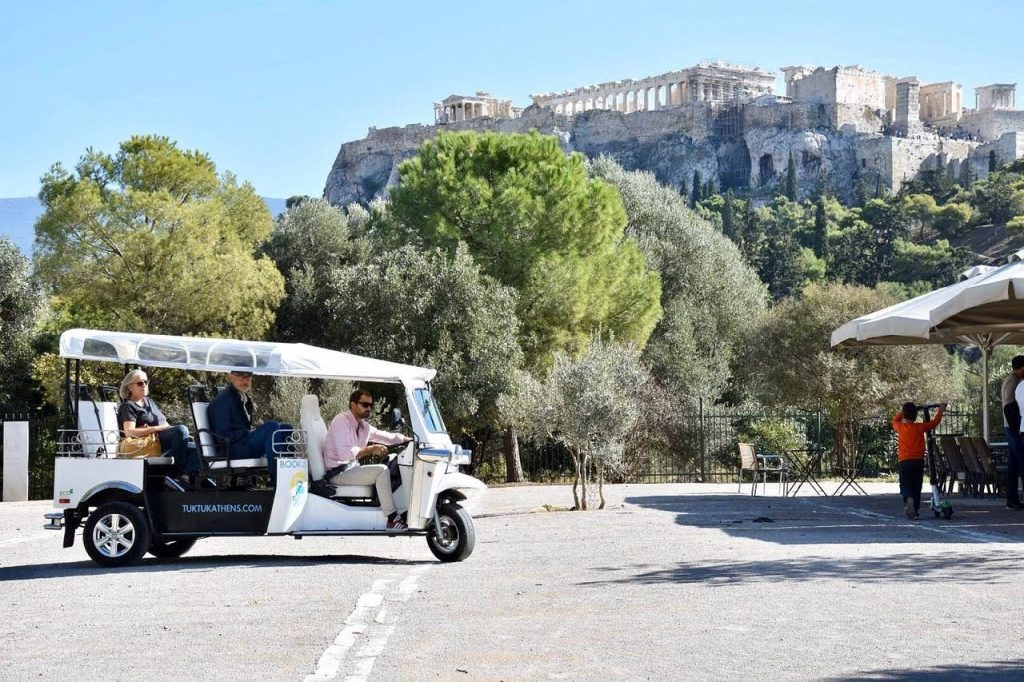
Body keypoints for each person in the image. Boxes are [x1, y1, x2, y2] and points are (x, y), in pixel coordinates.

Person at [323, 389, 411, 530]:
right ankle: (392, 519)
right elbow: (345, 453)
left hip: (350, 469)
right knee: (381, 471)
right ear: (353, 404)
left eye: (371, 405)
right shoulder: (341, 421)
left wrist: (410, 440)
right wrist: (371, 449)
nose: (369, 408)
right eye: (365, 404)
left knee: (389, 462)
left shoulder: (364, 426)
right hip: (337, 473)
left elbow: (386, 437)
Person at [207, 370, 293, 486]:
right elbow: (222, 438)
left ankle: (289, 474)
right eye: (240, 377)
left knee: (285, 428)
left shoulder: (241, 397)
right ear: (231, 377)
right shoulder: (222, 400)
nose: (245, 381)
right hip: (231, 450)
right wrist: (246, 433)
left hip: (243, 444)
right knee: (271, 427)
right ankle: (277, 480)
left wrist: (248, 433)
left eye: (248, 377)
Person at [117, 369, 200, 487]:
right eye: (140, 383)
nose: (144, 385)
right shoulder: (128, 406)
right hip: (147, 443)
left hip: (160, 441)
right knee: (181, 430)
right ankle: (177, 473)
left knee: (198, 446)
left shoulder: (149, 402)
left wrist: (166, 428)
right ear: (130, 387)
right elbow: (129, 432)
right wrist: (156, 428)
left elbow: (164, 422)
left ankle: (186, 476)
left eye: (146, 382)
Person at [891, 401, 945, 519]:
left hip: (904, 461)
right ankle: (915, 509)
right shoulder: (920, 427)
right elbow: (934, 423)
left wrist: (903, 412)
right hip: (918, 461)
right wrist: (940, 410)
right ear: (915, 416)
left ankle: (908, 498)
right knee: (917, 486)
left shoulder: (900, 427)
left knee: (905, 484)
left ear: (904, 415)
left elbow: (894, 421)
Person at [1002, 356, 1024, 509]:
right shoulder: (1013, 381)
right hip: (1013, 427)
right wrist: (1016, 425)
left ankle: (1012, 500)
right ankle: (1012, 499)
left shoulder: (1010, 380)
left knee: (1014, 463)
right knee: (1022, 460)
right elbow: (1009, 405)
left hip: (1011, 427)